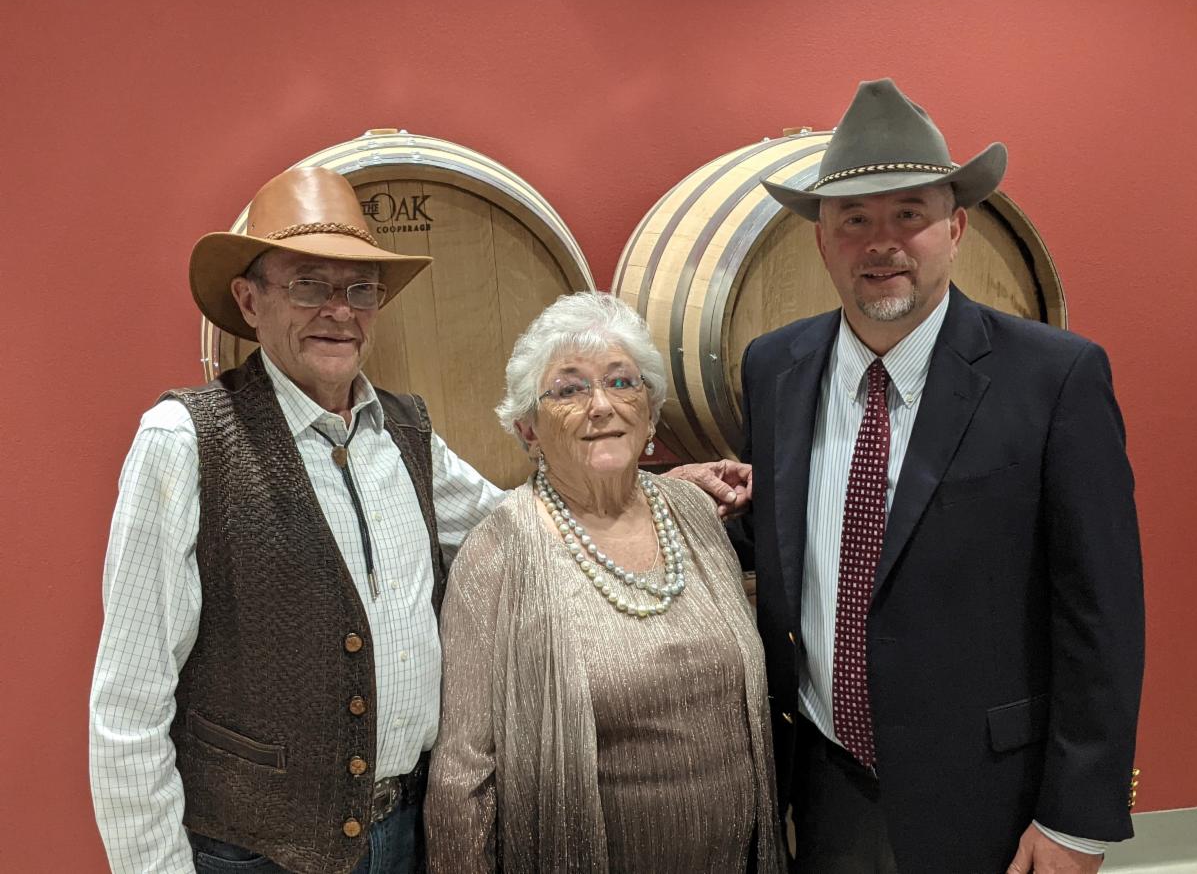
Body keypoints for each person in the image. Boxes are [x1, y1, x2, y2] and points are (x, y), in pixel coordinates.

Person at [89, 167, 747, 874]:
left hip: (404, 834)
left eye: (360, 290)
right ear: (249, 301)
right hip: (254, 853)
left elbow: (525, 526)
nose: (338, 312)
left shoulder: (402, 431)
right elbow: (128, 708)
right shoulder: (185, 441)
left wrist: (652, 485)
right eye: (309, 285)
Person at [738, 79, 1144, 874]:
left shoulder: (1053, 379)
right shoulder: (775, 369)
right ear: (821, 240)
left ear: (956, 229)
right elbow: (782, 546)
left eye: (909, 214)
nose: (880, 241)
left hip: (991, 797)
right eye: (854, 219)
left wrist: (1076, 821)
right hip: (823, 784)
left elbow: (1101, 618)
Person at [424, 292, 786, 873]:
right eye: (568, 389)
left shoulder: (693, 514)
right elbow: (464, 772)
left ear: (650, 410)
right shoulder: (498, 552)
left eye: (622, 382)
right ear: (529, 429)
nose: (601, 405)